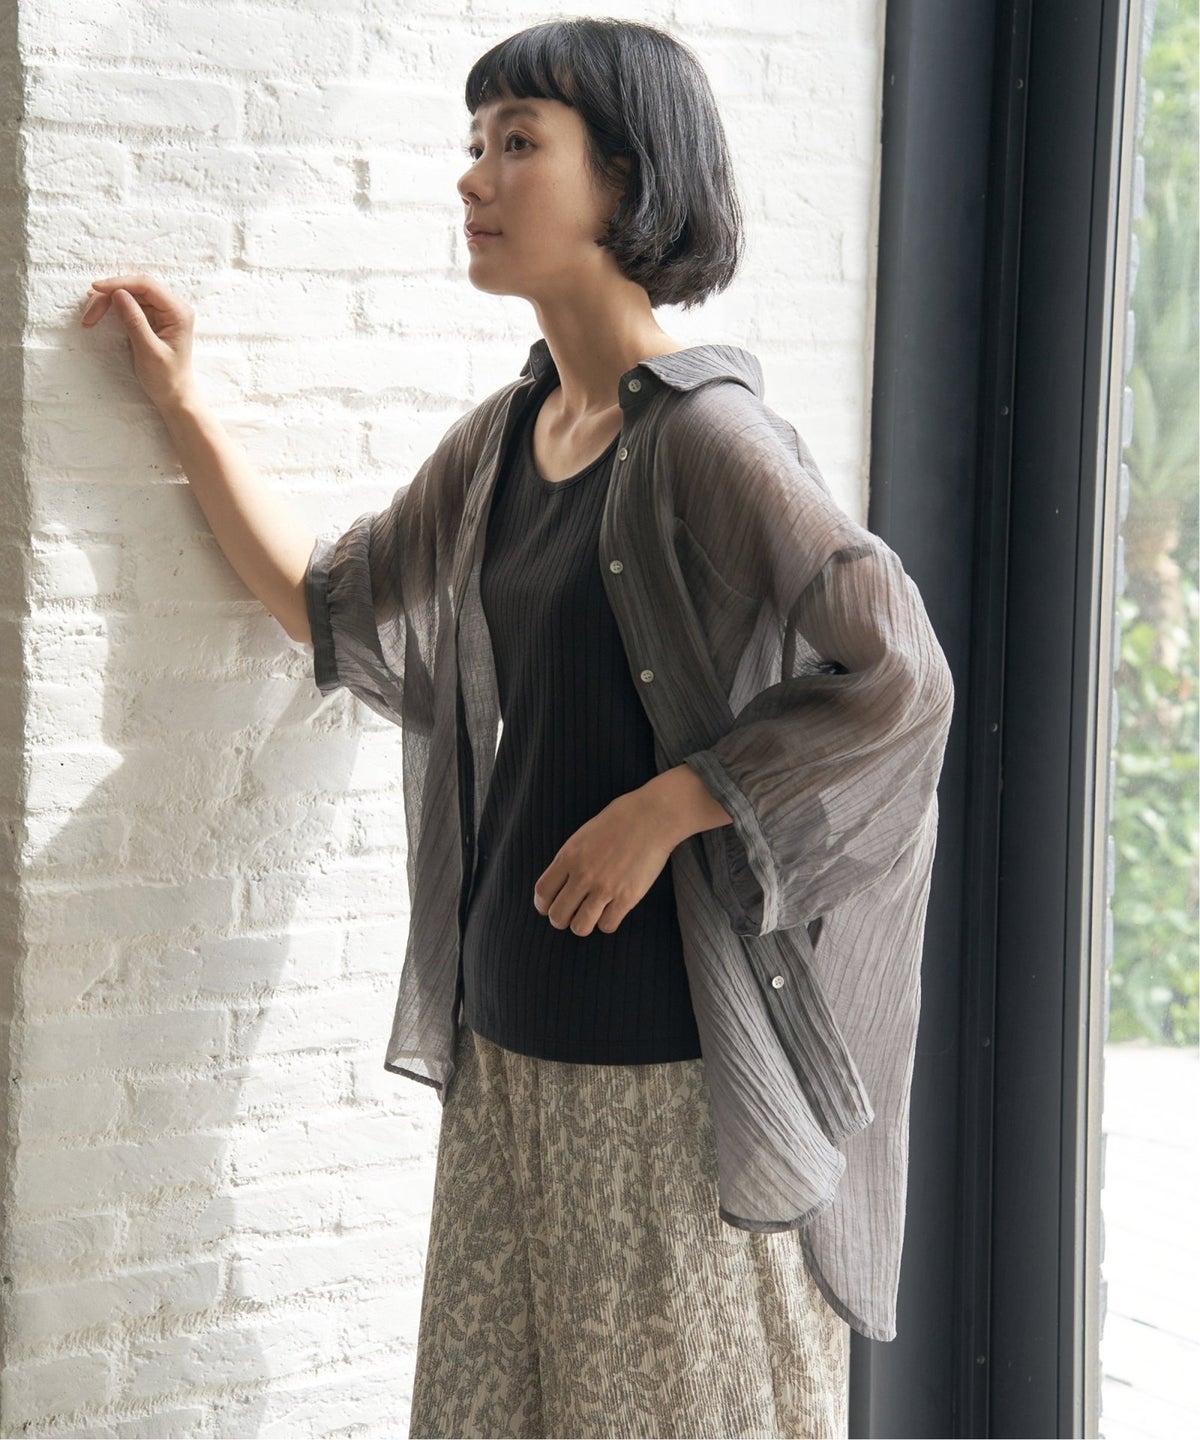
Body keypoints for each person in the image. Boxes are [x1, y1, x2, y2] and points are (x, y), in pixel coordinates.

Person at [80, 17, 955, 1439]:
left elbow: (902, 672)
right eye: (474, 143)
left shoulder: (711, 439)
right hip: (507, 1058)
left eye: (519, 142)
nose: (474, 176)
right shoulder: (510, 435)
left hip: (661, 1087)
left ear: (627, 180)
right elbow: (327, 602)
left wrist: (677, 801)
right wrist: (180, 406)